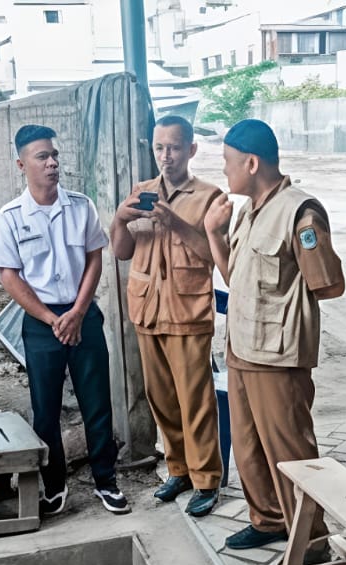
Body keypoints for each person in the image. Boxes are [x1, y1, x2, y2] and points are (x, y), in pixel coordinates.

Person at [202, 119, 345, 551]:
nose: (224, 171)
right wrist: (214, 234)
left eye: (228, 162)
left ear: (250, 162)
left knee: (291, 452)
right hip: (243, 349)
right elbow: (240, 279)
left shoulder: (299, 211)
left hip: (278, 356)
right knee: (248, 448)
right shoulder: (249, 211)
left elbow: (328, 284)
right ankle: (269, 520)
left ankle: (312, 541)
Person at [0, 125, 129, 516]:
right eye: (42, 157)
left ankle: (107, 481)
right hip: (41, 324)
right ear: (22, 164)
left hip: (82, 316)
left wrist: (78, 313)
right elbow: (10, 276)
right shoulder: (10, 218)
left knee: (96, 403)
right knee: (45, 409)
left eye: (54, 155)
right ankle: (54, 486)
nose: (52, 163)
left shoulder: (80, 206)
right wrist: (52, 319)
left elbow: (93, 259)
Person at [109, 115, 225, 517]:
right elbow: (122, 251)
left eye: (174, 147)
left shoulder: (210, 197)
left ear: (191, 149)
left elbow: (214, 256)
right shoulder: (140, 192)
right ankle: (179, 470)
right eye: (159, 147)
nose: (166, 156)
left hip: (188, 310)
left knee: (196, 400)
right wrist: (121, 218)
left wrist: (174, 222)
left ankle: (207, 479)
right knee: (161, 400)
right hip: (147, 310)